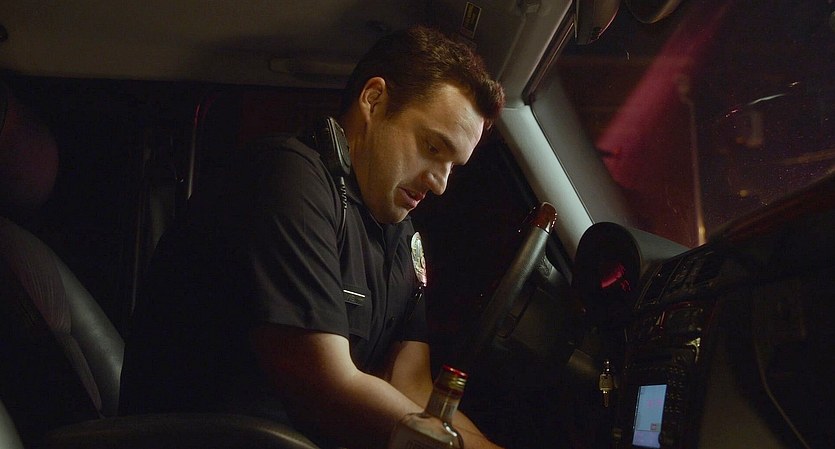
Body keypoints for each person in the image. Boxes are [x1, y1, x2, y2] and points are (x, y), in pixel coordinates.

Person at [119, 25, 506, 449]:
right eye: (432, 147)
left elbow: (410, 384)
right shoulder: (289, 177)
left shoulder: (398, 232)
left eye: (452, 166)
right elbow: (328, 386)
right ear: (374, 100)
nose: (440, 184)